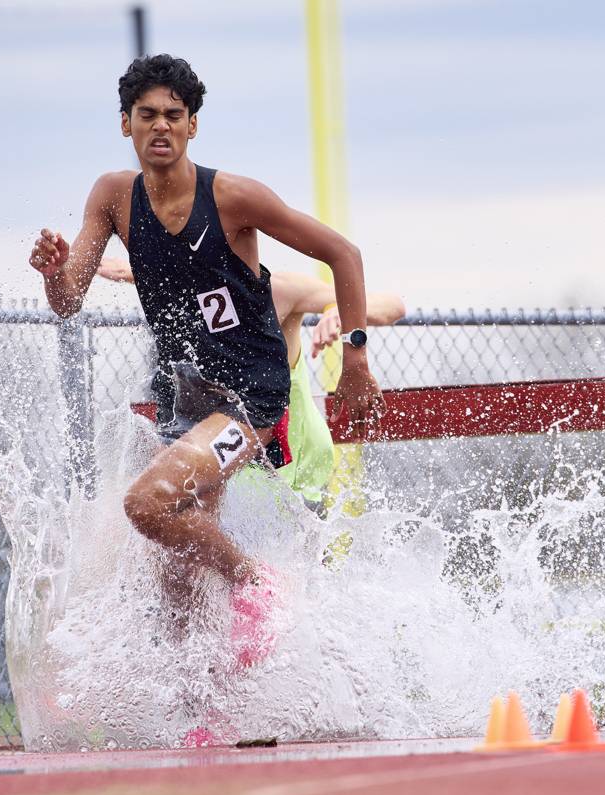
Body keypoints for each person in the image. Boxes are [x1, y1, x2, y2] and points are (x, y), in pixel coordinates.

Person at [27, 54, 384, 670]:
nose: (159, 127)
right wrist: (53, 270)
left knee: (148, 503)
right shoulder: (113, 197)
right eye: (147, 116)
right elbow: (68, 303)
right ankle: (210, 715)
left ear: (193, 125)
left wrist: (355, 359)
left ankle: (257, 582)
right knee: (178, 592)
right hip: (182, 399)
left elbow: (343, 254)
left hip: (248, 400)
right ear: (125, 125)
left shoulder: (232, 196)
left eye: (173, 115)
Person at [98, 258, 406, 509]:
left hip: (295, 476)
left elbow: (392, 305)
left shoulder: (278, 292)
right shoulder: (192, 298)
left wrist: (341, 314)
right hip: (234, 476)